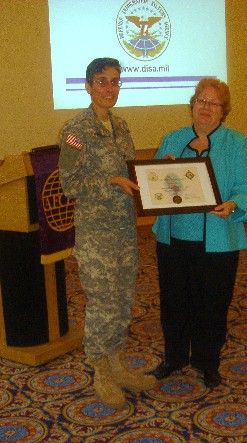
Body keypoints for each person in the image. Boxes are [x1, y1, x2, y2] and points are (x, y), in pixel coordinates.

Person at [58, 58, 156, 409]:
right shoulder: (75, 131)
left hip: (125, 232)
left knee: (123, 300)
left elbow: (131, 173)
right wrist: (109, 183)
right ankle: (101, 373)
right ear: (88, 86)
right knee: (101, 305)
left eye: (115, 82)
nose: (109, 89)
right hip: (96, 235)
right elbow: (69, 184)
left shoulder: (122, 126)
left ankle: (117, 363)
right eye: (102, 82)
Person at [150, 78, 247, 388]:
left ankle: (207, 361)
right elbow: (153, 183)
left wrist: (235, 202)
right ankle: (174, 357)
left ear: (224, 111)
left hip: (218, 238)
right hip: (173, 238)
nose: (206, 108)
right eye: (200, 101)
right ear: (192, 106)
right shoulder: (173, 139)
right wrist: (161, 169)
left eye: (213, 103)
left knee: (213, 302)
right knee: (173, 301)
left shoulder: (237, 143)